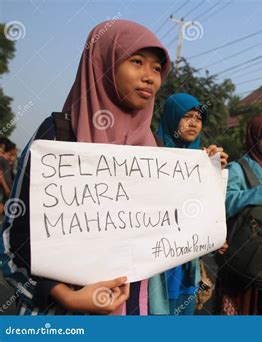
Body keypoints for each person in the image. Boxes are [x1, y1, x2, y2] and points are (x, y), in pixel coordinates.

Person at [0, 19, 172, 315]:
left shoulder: (154, 151)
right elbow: (12, 240)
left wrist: (208, 175)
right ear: (101, 62)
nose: (149, 77)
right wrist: (62, 295)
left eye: (157, 68)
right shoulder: (56, 137)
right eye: (137, 62)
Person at [149, 93, 228, 315]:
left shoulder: (203, 158)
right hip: (156, 262)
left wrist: (215, 170)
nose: (194, 123)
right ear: (172, 117)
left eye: (199, 118)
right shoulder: (147, 151)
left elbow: (206, 208)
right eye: (187, 116)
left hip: (187, 262)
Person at [217, 115, 262, 315]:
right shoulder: (237, 169)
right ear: (253, 138)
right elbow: (223, 204)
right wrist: (261, 193)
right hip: (242, 258)